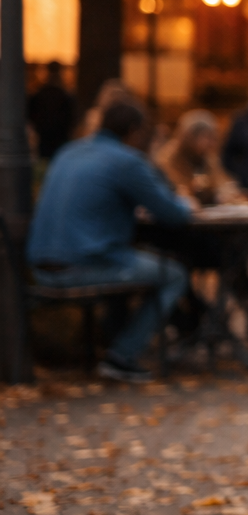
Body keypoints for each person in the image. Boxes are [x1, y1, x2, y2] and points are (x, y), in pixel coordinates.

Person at [27, 97, 193, 384]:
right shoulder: (126, 160)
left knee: (132, 260)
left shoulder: (69, 151)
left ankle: (116, 340)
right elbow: (173, 213)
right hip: (82, 265)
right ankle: (122, 355)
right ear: (133, 131)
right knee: (174, 274)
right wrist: (189, 203)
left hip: (39, 266)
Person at [156, 110, 240, 206]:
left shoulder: (206, 156)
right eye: (208, 137)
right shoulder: (167, 158)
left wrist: (221, 192)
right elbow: (173, 191)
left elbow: (224, 182)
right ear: (190, 136)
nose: (212, 144)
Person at [27, 61, 74, 161]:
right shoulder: (66, 96)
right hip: (60, 141)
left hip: (44, 141)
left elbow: (30, 116)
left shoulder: (38, 95)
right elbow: (72, 119)